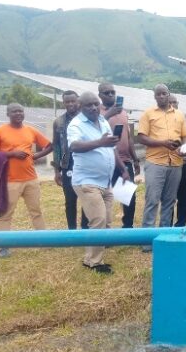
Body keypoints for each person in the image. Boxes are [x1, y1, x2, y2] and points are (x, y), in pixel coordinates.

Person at [0, 103, 52, 258]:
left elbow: (50, 146)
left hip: (31, 179)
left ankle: (44, 242)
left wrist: (35, 156)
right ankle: (3, 246)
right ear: (8, 114)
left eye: (20, 111)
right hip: (10, 181)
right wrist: (12, 154)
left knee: (36, 211)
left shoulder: (30, 130)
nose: (18, 114)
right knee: (6, 214)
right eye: (14, 111)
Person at [67, 92, 122, 274]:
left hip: (105, 181)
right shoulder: (76, 124)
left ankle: (95, 253)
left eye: (96, 104)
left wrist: (122, 168)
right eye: (88, 105)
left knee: (106, 220)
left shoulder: (103, 121)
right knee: (98, 220)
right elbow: (74, 146)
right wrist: (100, 142)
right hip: (87, 181)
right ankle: (93, 262)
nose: (93, 108)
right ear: (80, 107)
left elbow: (111, 147)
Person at [137, 84, 186, 248]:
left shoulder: (179, 115)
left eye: (164, 93)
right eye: (158, 94)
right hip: (155, 162)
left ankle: (164, 238)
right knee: (152, 200)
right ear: (154, 96)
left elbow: (185, 137)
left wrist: (184, 149)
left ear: (168, 94)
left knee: (169, 201)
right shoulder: (148, 114)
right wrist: (163, 143)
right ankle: (147, 241)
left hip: (175, 162)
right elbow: (142, 138)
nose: (161, 96)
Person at [98, 82, 140, 228]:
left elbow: (128, 137)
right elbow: (95, 130)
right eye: (106, 93)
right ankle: (103, 229)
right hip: (105, 162)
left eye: (112, 92)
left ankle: (127, 228)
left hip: (124, 161)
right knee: (104, 197)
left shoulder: (123, 112)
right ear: (100, 95)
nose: (110, 95)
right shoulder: (97, 113)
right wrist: (109, 114)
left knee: (128, 197)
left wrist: (135, 159)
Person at [52, 90, 89, 230]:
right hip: (67, 165)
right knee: (70, 200)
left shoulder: (86, 119)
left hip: (85, 165)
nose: (70, 104)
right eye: (67, 101)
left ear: (78, 101)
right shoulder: (59, 122)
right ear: (63, 103)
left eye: (73, 101)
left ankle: (85, 230)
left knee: (87, 198)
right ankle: (72, 232)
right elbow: (56, 146)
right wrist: (57, 171)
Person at [169, 94, 186, 227]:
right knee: (169, 196)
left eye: (175, 102)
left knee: (185, 195)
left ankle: (181, 223)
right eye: (170, 102)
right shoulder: (160, 119)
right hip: (168, 164)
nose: (172, 105)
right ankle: (167, 224)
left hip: (185, 163)